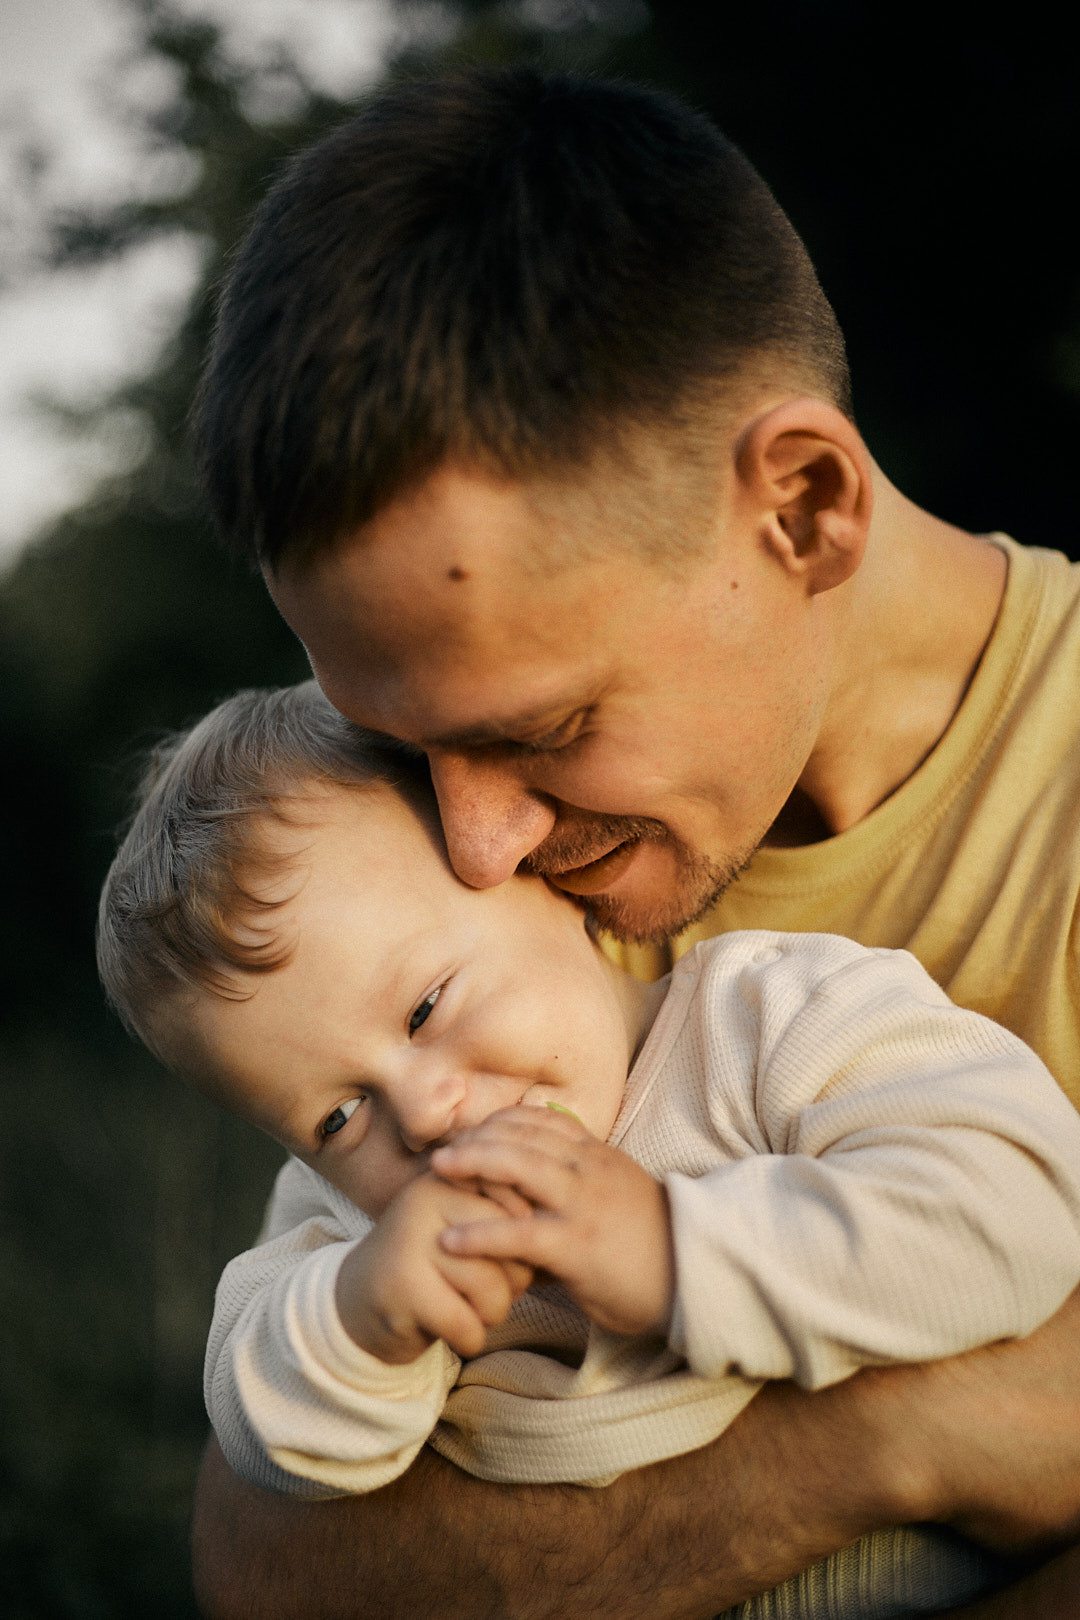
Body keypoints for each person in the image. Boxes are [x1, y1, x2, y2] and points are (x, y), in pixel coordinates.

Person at [187, 67, 1080, 1620]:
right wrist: (888, 1442)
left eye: (538, 731)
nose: (473, 844)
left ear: (802, 508)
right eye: (406, 742)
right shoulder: (421, 919)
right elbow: (271, 1568)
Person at [96, 682, 1080, 1592]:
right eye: (335, 1117)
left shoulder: (772, 1022)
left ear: (546, 886)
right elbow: (260, 1419)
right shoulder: (359, 1228)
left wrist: (670, 1246)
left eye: (427, 1006)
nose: (426, 1112)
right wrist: (361, 1322)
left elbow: (1020, 1201)